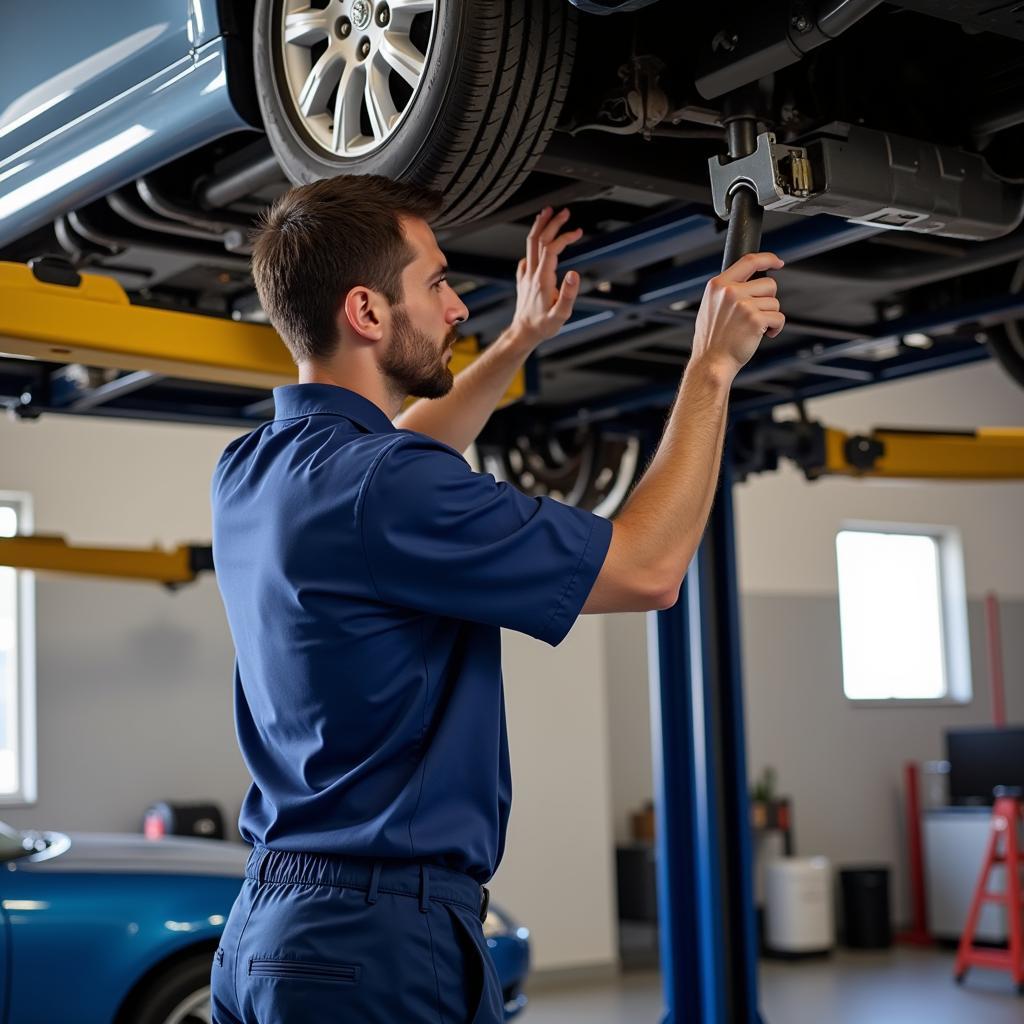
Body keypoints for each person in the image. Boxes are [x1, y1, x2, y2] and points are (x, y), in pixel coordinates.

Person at [209, 174, 785, 1024]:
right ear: (366, 312)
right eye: (437, 283)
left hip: (267, 929)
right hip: (378, 942)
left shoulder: (252, 470)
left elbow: (395, 460)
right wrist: (710, 367)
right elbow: (650, 568)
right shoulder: (387, 487)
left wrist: (519, 338)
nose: (455, 310)